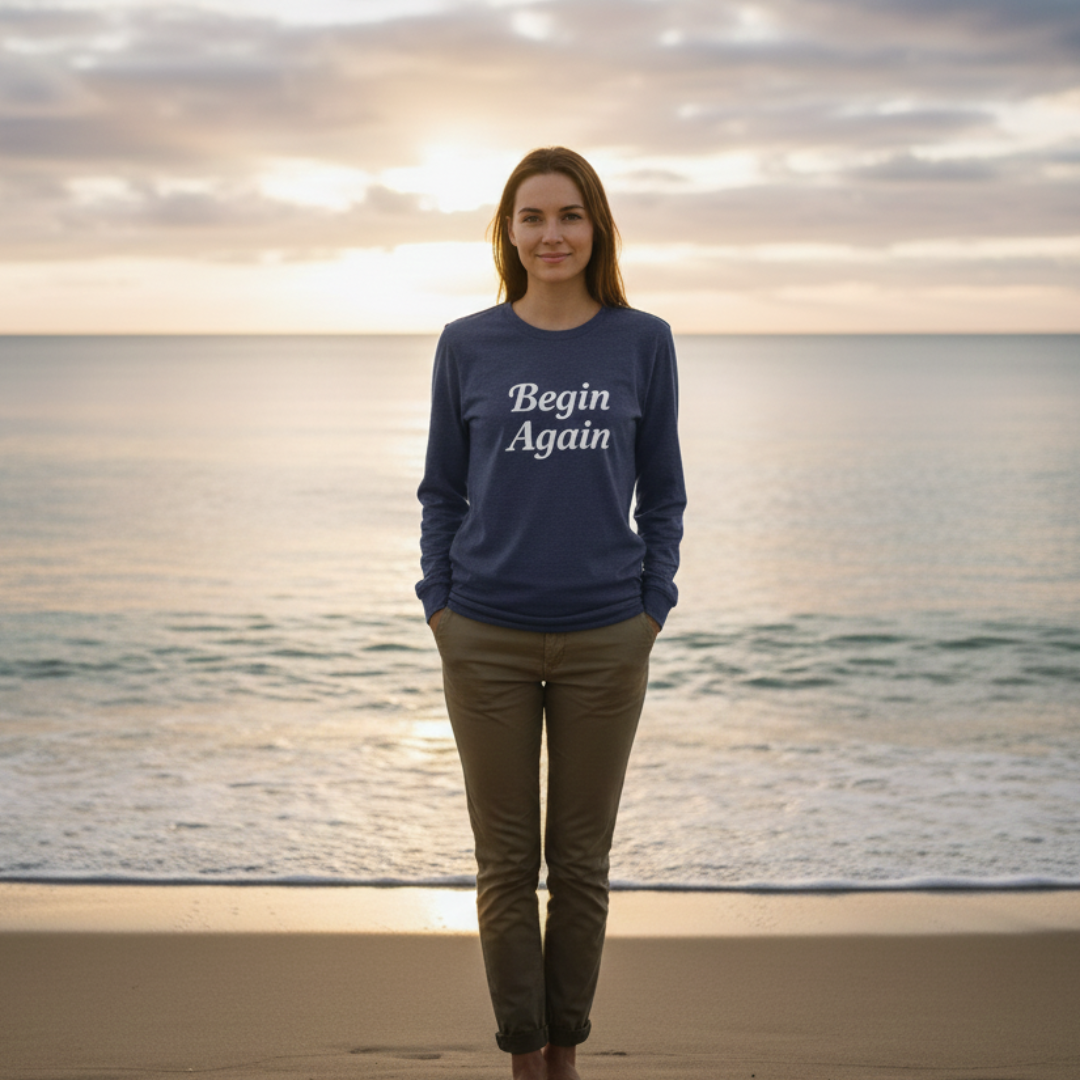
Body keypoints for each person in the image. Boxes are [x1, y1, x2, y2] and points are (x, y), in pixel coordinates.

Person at [415, 146, 686, 1080]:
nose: (551, 234)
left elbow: (666, 493)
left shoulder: (642, 341)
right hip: (482, 632)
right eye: (532, 217)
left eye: (568, 215)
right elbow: (441, 492)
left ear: (595, 227)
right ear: (509, 232)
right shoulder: (469, 343)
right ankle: (522, 1055)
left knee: (579, 865)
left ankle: (565, 1050)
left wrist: (653, 603)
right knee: (502, 866)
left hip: (609, 634)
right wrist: (439, 603)